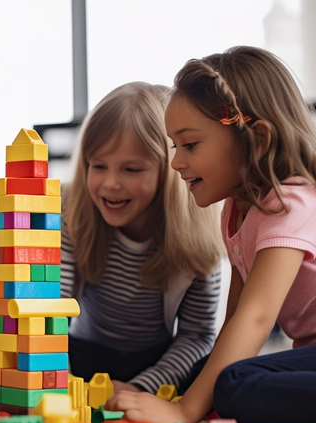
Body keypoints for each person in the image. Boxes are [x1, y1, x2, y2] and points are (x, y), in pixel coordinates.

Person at [110, 46, 316, 423]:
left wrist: (184, 412)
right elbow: (235, 320)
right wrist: (165, 393)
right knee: (218, 373)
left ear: (256, 139)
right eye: (175, 146)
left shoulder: (290, 205)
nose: (176, 162)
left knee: (236, 383)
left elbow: (256, 319)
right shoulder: (237, 209)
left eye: (190, 144)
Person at [61, 81, 224, 399]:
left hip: (156, 362)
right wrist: (56, 380)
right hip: (79, 353)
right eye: (98, 166)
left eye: (131, 169)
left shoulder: (198, 237)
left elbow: (197, 335)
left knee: (217, 372)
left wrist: (140, 388)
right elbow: (54, 305)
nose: (110, 183)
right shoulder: (71, 208)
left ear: (170, 171)